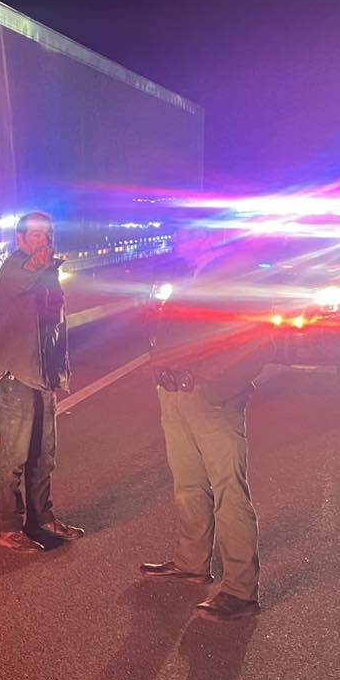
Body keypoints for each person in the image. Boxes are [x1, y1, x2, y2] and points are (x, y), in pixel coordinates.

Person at [139, 243, 273, 620]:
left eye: (191, 231)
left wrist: (213, 386)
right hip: (176, 395)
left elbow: (259, 343)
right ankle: (191, 563)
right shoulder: (188, 274)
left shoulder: (238, 272)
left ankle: (241, 591)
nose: (180, 238)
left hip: (210, 400)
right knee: (188, 484)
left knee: (229, 492)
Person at [0, 211, 85, 552]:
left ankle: (41, 518)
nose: (45, 240)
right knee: (14, 457)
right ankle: (8, 526)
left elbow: (54, 320)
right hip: (16, 374)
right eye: (37, 235)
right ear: (20, 239)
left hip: (42, 374)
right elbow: (28, 275)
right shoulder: (14, 268)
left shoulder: (46, 271)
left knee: (44, 455)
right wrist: (44, 263)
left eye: (48, 234)